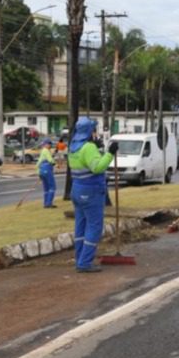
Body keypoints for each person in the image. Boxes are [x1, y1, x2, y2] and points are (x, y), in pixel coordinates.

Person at [67, 117, 114, 272]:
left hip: (77, 190)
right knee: (94, 226)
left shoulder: (73, 146)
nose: (96, 133)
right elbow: (97, 167)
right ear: (89, 132)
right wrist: (110, 154)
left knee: (80, 226)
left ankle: (79, 258)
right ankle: (85, 262)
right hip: (91, 191)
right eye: (94, 130)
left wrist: (98, 149)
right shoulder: (88, 148)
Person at [37, 138, 57, 208]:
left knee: (46, 188)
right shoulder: (46, 151)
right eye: (49, 144)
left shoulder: (42, 151)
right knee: (52, 187)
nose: (50, 146)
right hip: (47, 170)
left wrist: (39, 173)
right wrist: (54, 163)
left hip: (42, 171)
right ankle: (49, 203)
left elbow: (38, 163)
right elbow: (50, 160)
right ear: (46, 144)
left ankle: (45, 203)